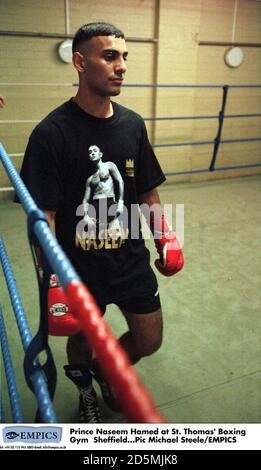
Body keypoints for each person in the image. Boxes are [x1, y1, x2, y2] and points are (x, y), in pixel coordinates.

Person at [18, 22, 184, 423]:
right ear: (80, 62)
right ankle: (86, 389)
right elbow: (46, 218)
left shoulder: (132, 125)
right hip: (79, 266)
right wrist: (55, 279)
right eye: (110, 56)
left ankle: (107, 371)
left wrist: (166, 237)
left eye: (124, 57)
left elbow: (146, 191)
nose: (122, 66)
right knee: (81, 339)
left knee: (149, 339)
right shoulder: (51, 133)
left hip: (128, 259)